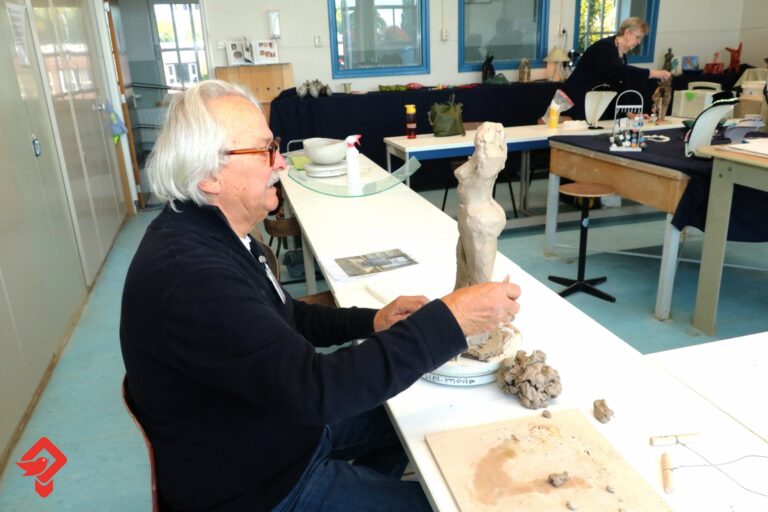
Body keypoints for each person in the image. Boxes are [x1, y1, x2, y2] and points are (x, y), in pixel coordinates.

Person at [120, 80, 522, 512]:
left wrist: (373, 321)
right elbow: (320, 392)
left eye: (274, 146)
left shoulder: (212, 232)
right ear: (209, 175)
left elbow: (287, 316)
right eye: (264, 151)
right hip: (260, 486)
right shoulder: (195, 280)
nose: (280, 163)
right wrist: (449, 319)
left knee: (420, 408)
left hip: (277, 430)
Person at [562, 17, 672, 120]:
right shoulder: (604, 47)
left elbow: (617, 88)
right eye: (637, 37)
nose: (639, 42)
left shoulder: (621, 55)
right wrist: (652, 73)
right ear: (627, 32)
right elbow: (620, 71)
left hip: (591, 107)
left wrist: (629, 114)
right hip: (573, 105)